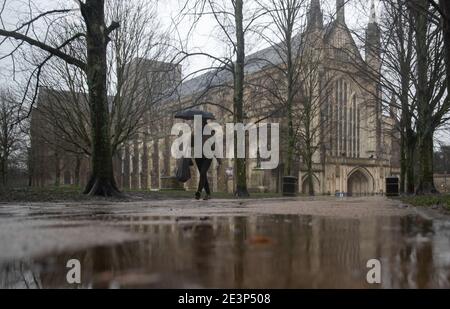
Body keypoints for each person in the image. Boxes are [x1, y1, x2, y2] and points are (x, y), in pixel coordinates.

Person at [192, 118, 220, 200]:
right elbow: (192, 144)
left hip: (207, 156)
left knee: (203, 172)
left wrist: (218, 159)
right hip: (198, 157)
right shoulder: (196, 133)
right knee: (203, 175)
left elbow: (214, 146)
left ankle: (199, 192)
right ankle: (208, 194)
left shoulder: (210, 133)